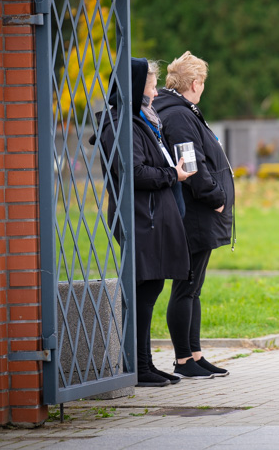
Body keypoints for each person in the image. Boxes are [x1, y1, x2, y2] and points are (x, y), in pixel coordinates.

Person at [91, 57, 194, 387]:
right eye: (150, 84)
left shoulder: (140, 120)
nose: (154, 90)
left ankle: (143, 364)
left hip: (151, 216)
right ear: (135, 86)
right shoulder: (119, 123)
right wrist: (171, 174)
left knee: (150, 288)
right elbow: (133, 172)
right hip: (139, 217)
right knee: (142, 290)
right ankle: (136, 366)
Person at [155, 51, 235, 379]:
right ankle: (184, 360)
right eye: (202, 82)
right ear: (195, 83)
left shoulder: (180, 111)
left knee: (193, 286)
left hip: (199, 212)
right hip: (195, 214)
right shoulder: (178, 116)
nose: (203, 88)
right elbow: (191, 164)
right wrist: (215, 197)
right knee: (185, 286)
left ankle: (195, 354)